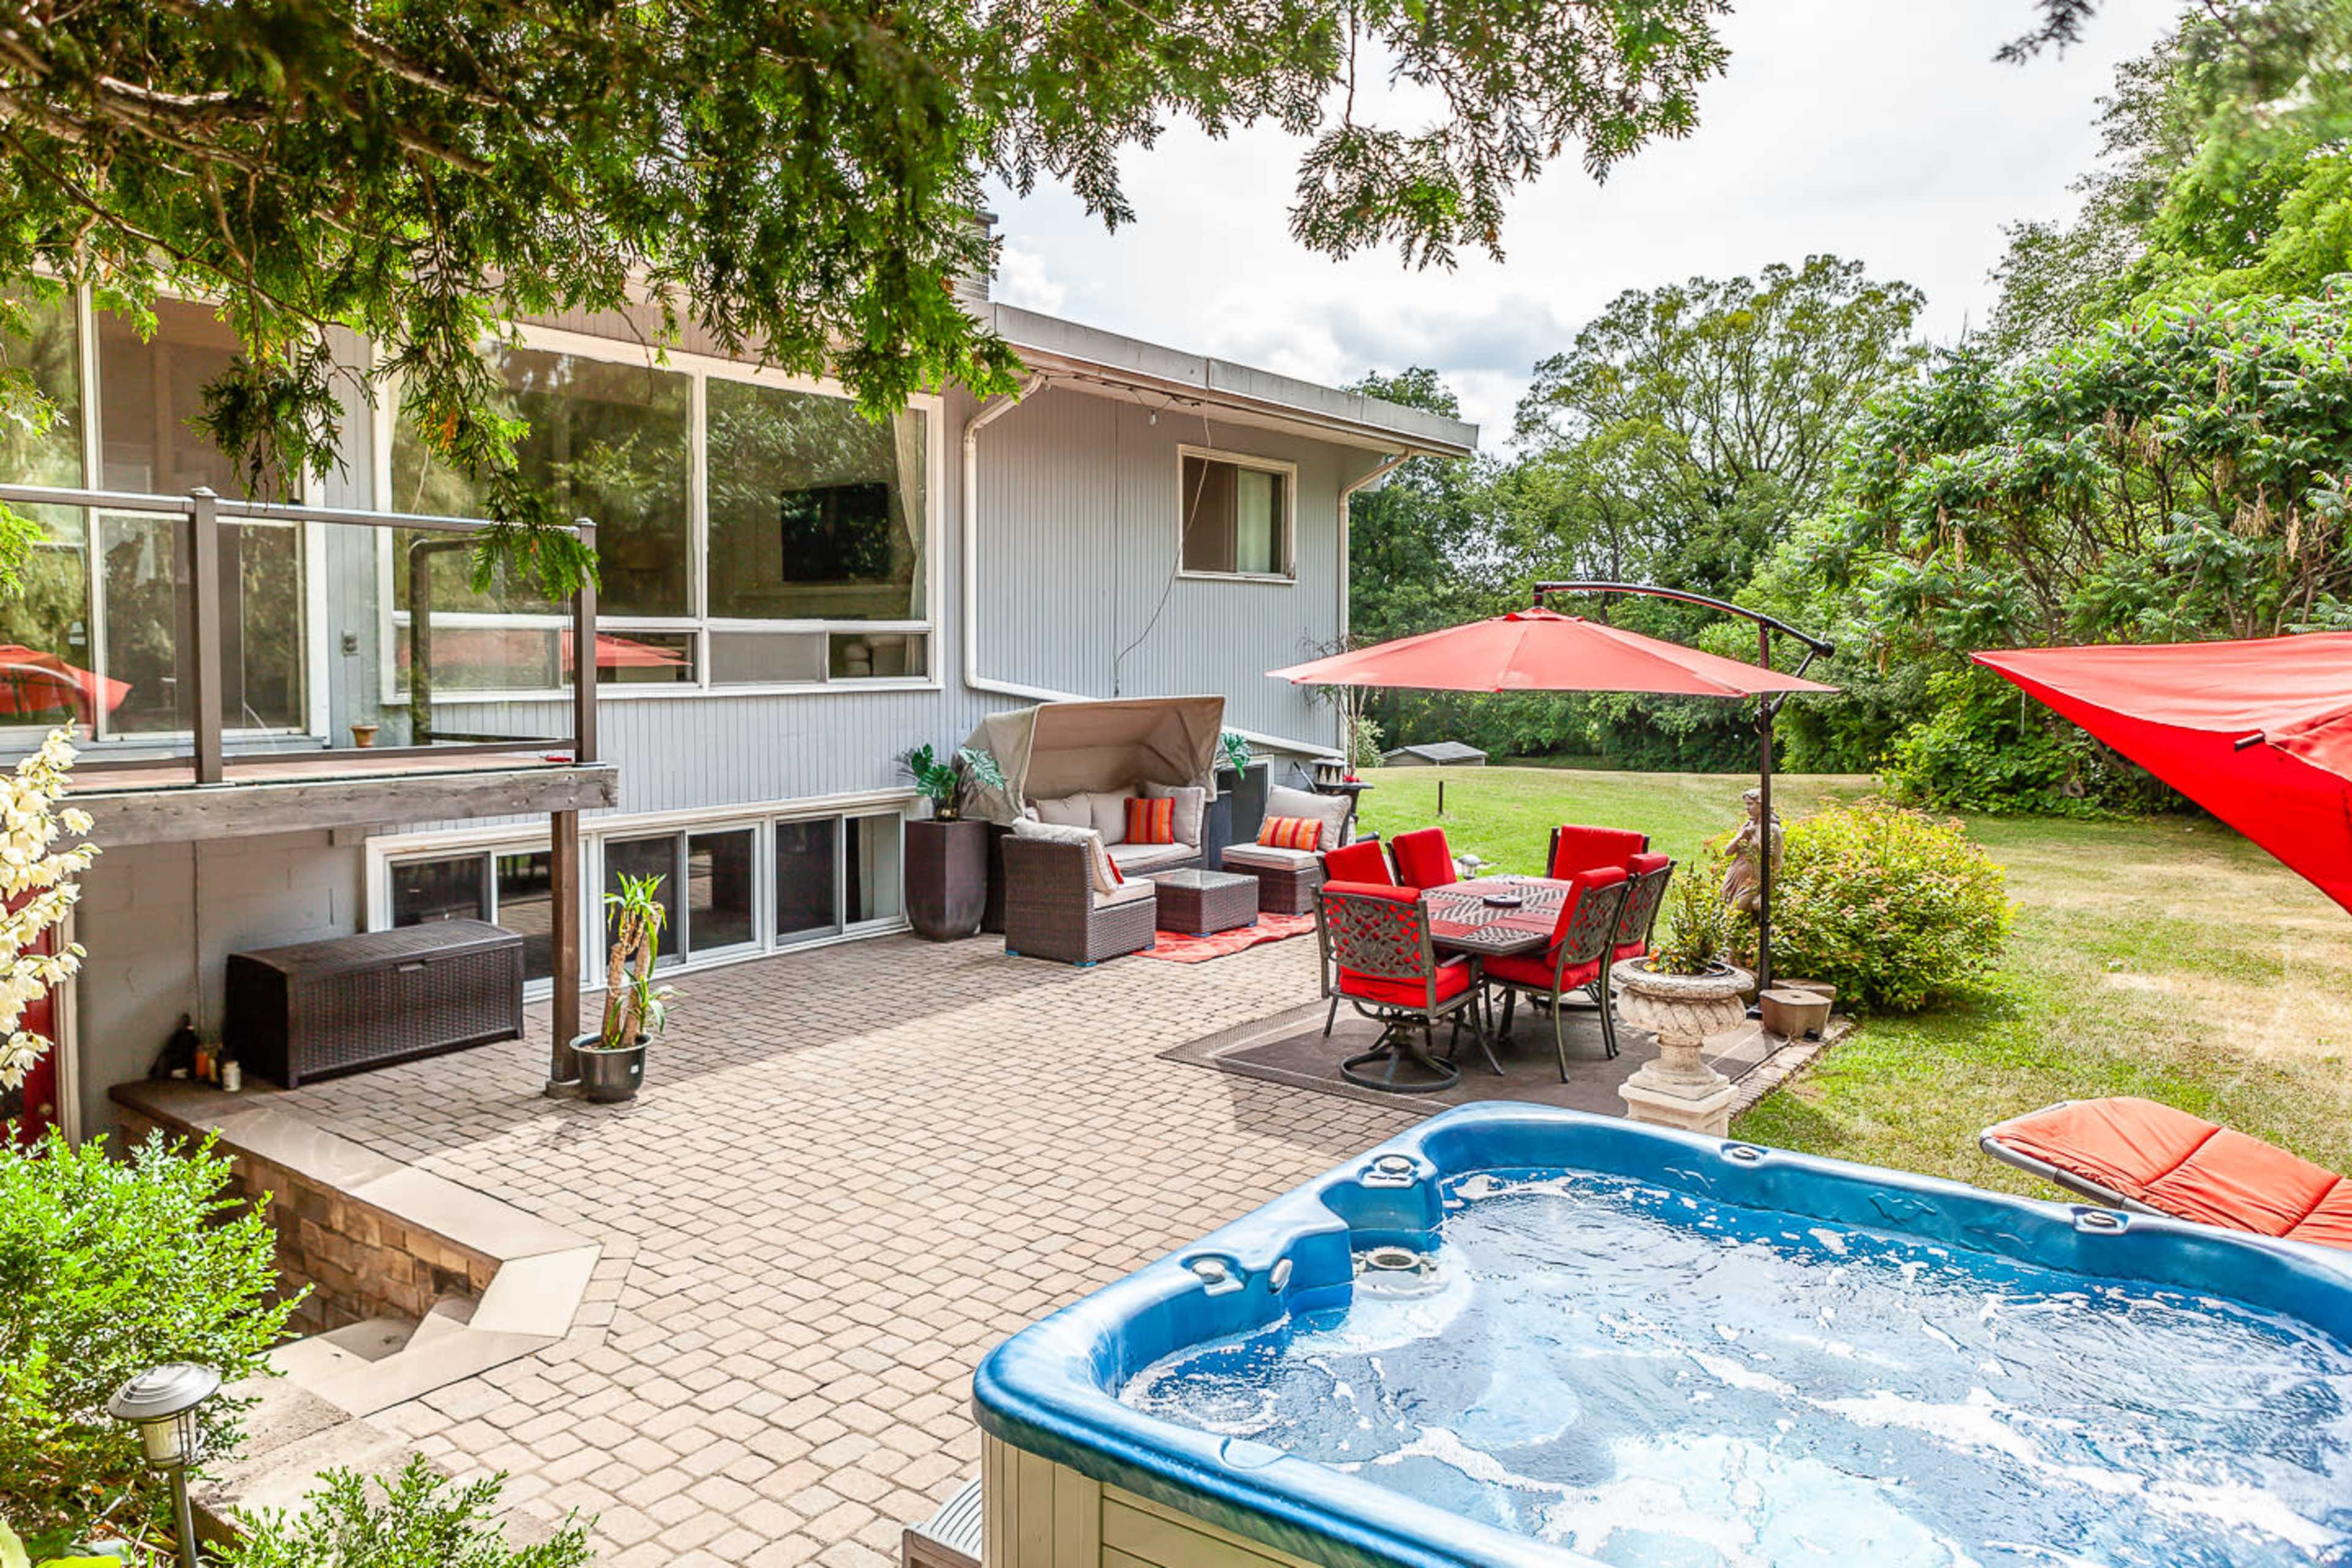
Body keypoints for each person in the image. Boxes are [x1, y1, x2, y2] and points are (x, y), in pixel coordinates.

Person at [1720, 787, 1781, 917]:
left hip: (1753, 880)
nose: (1747, 808)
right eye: (1746, 804)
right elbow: (1728, 852)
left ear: (1761, 804)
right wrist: (1742, 835)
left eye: (1750, 804)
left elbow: (1777, 864)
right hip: (1734, 875)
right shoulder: (1747, 826)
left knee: (1733, 915)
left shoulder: (1773, 830)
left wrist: (1766, 892)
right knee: (1724, 914)